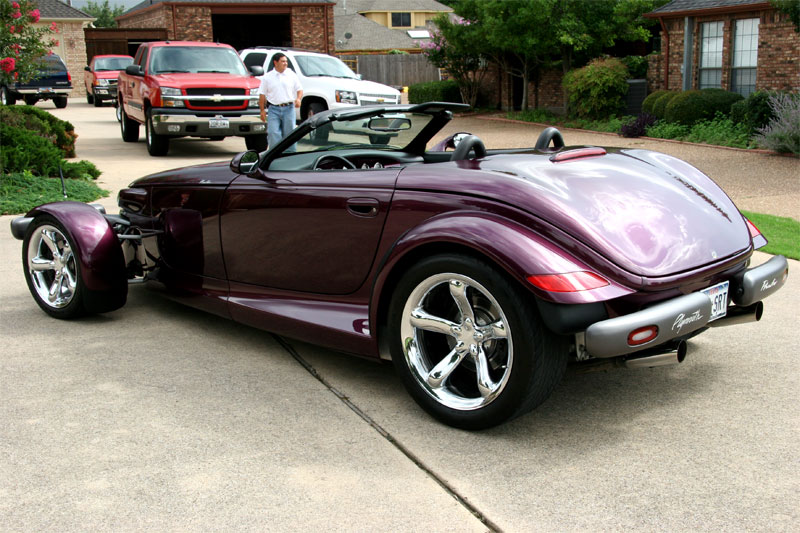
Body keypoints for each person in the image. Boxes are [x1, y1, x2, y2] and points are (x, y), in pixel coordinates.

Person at [258, 53, 303, 150]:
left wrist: (298, 99)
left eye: (286, 61)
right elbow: (262, 95)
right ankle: (275, 154)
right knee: (273, 132)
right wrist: (262, 110)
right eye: (283, 61)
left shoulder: (291, 75)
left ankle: (290, 155)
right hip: (273, 109)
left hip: (289, 109)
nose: (285, 63)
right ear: (275, 62)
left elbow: (299, 89)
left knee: (290, 134)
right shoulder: (267, 77)